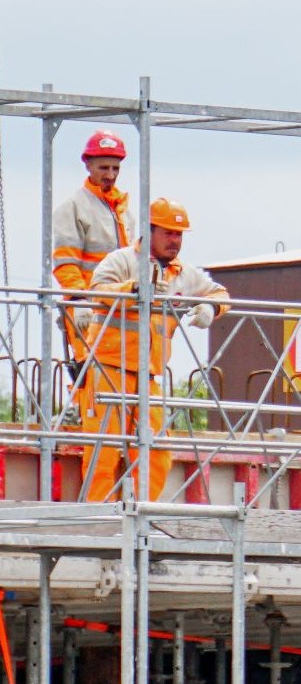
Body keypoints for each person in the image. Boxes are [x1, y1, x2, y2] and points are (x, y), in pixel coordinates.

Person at [78, 199, 229, 503]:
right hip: (108, 372)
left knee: (156, 452)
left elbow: (220, 293)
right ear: (150, 231)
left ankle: (139, 513)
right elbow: (97, 290)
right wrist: (133, 290)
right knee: (103, 452)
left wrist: (210, 307)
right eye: (169, 233)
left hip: (149, 377)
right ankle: (97, 520)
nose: (175, 241)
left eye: (179, 234)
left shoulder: (182, 274)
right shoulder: (121, 262)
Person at [50, 131, 131, 358]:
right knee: (91, 376)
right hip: (89, 310)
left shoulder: (123, 211)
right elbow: (66, 263)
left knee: (119, 379)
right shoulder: (74, 207)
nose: (110, 174)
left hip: (121, 308)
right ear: (88, 165)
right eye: (104, 168)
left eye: (115, 168)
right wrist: (78, 301)